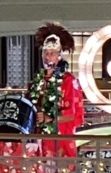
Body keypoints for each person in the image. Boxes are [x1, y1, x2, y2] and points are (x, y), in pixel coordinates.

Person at [28, 22, 83, 157]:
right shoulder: (38, 81)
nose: (47, 57)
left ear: (59, 56)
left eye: (52, 53)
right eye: (45, 53)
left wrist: (49, 119)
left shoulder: (69, 81)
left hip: (60, 141)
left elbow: (72, 114)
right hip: (37, 141)